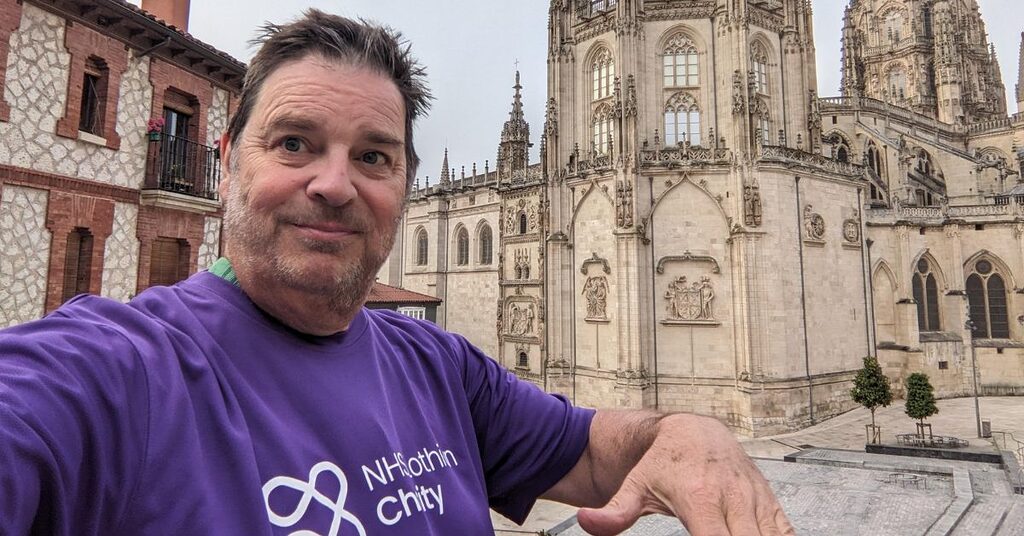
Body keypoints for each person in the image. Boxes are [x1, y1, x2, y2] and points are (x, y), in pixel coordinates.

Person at [0, 10, 794, 536]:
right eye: (294, 143)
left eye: (372, 156)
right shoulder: (115, 371)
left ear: (403, 186)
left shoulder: (439, 368)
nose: (335, 184)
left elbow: (590, 450)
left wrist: (689, 432)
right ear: (224, 162)